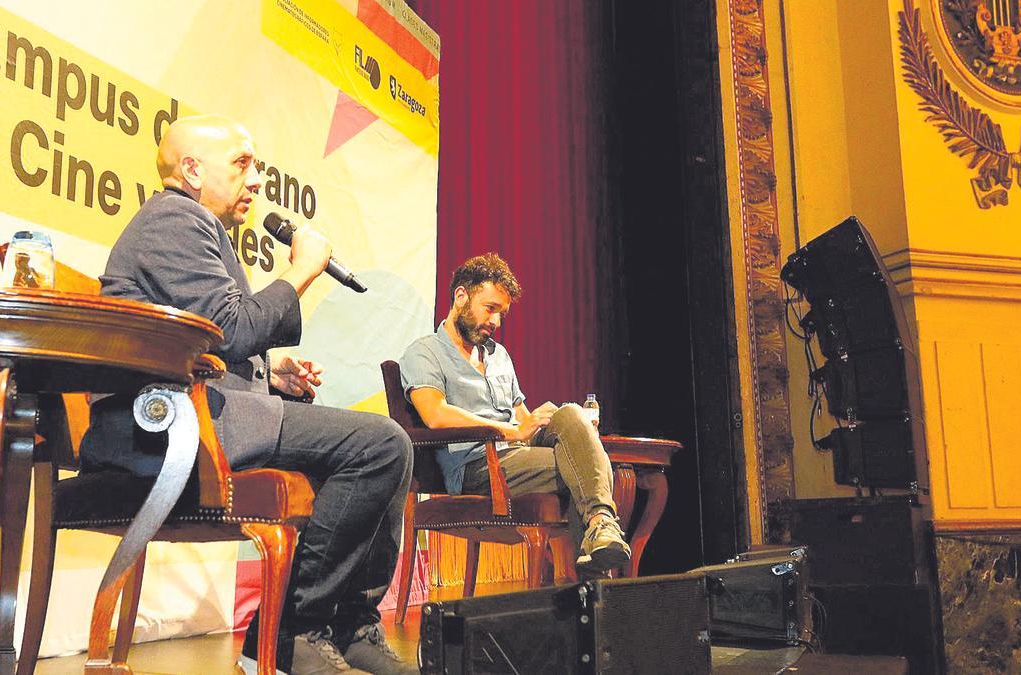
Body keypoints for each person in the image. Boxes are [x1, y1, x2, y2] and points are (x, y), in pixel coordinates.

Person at [80, 114, 416, 675]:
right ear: (191, 170)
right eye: (241, 163)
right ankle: (288, 634)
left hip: (211, 409)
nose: (257, 179)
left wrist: (271, 367)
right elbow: (233, 327)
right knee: (381, 446)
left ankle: (350, 625)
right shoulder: (172, 219)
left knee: (389, 449)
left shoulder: (197, 226)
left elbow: (214, 336)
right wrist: (303, 270)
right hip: (171, 426)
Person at [399, 253, 629, 574]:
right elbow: (435, 414)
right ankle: (594, 571)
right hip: (477, 467)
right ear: (461, 296)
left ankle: (599, 531)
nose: (495, 322)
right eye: (490, 309)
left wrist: (547, 422)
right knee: (589, 470)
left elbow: (521, 417)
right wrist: (509, 432)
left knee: (571, 414)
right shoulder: (424, 352)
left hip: (517, 456)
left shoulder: (499, 355)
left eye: (501, 314)